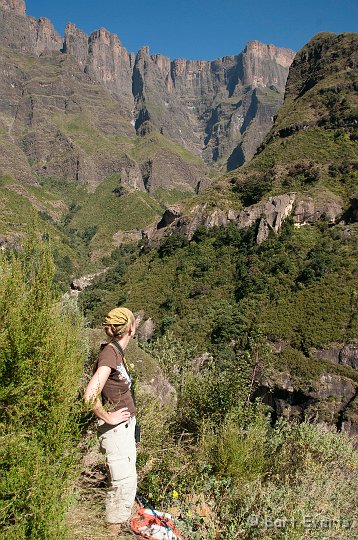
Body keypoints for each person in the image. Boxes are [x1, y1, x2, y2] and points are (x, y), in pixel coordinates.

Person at [84, 306, 137, 536]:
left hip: (123, 430)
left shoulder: (116, 352)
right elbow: (89, 396)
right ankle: (110, 534)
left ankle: (112, 528)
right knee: (123, 486)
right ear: (131, 328)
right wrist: (108, 416)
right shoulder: (109, 354)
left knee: (121, 482)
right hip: (116, 431)